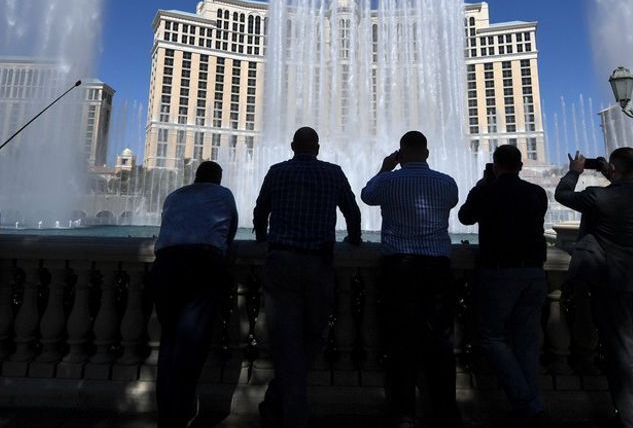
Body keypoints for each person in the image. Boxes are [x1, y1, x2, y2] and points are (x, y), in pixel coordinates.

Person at [554, 148, 633, 428]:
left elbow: (562, 195)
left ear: (614, 169)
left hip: (614, 283)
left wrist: (575, 171)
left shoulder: (599, 197)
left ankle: (630, 419)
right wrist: (616, 175)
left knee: (620, 354)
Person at [253, 127, 361, 428]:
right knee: (315, 333)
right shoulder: (333, 172)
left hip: (281, 261)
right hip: (318, 263)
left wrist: (262, 238)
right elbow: (352, 211)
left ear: (292, 146)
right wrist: (354, 241)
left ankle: (277, 397)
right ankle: (294, 417)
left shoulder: (277, 171)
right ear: (317, 147)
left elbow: (261, 210)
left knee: (286, 340)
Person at [361, 131, 461, 428]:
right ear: (427, 153)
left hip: (400, 267)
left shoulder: (389, 181)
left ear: (400, 154)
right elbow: (453, 203)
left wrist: (386, 167)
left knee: (400, 340)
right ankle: (445, 411)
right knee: (441, 342)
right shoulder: (447, 183)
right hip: (437, 268)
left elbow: (367, 196)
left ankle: (403, 413)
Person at [458, 144, 548, 427]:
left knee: (492, 337)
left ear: (495, 166)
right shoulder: (536, 193)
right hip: (534, 273)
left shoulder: (488, 191)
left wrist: (481, 185)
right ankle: (529, 409)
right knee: (527, 343)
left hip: (500, 272)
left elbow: (465, 217)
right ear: (520, 166)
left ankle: (528, 404)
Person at [150, 161, 238, 428]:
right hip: (200, 266)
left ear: (196, 177)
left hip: (165, 266)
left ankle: (166, 414)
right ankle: (180, 414)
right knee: (191, 343)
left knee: (170, 341)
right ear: (218, 179)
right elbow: (230, 231)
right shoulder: (223, 195)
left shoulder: (175, 196)